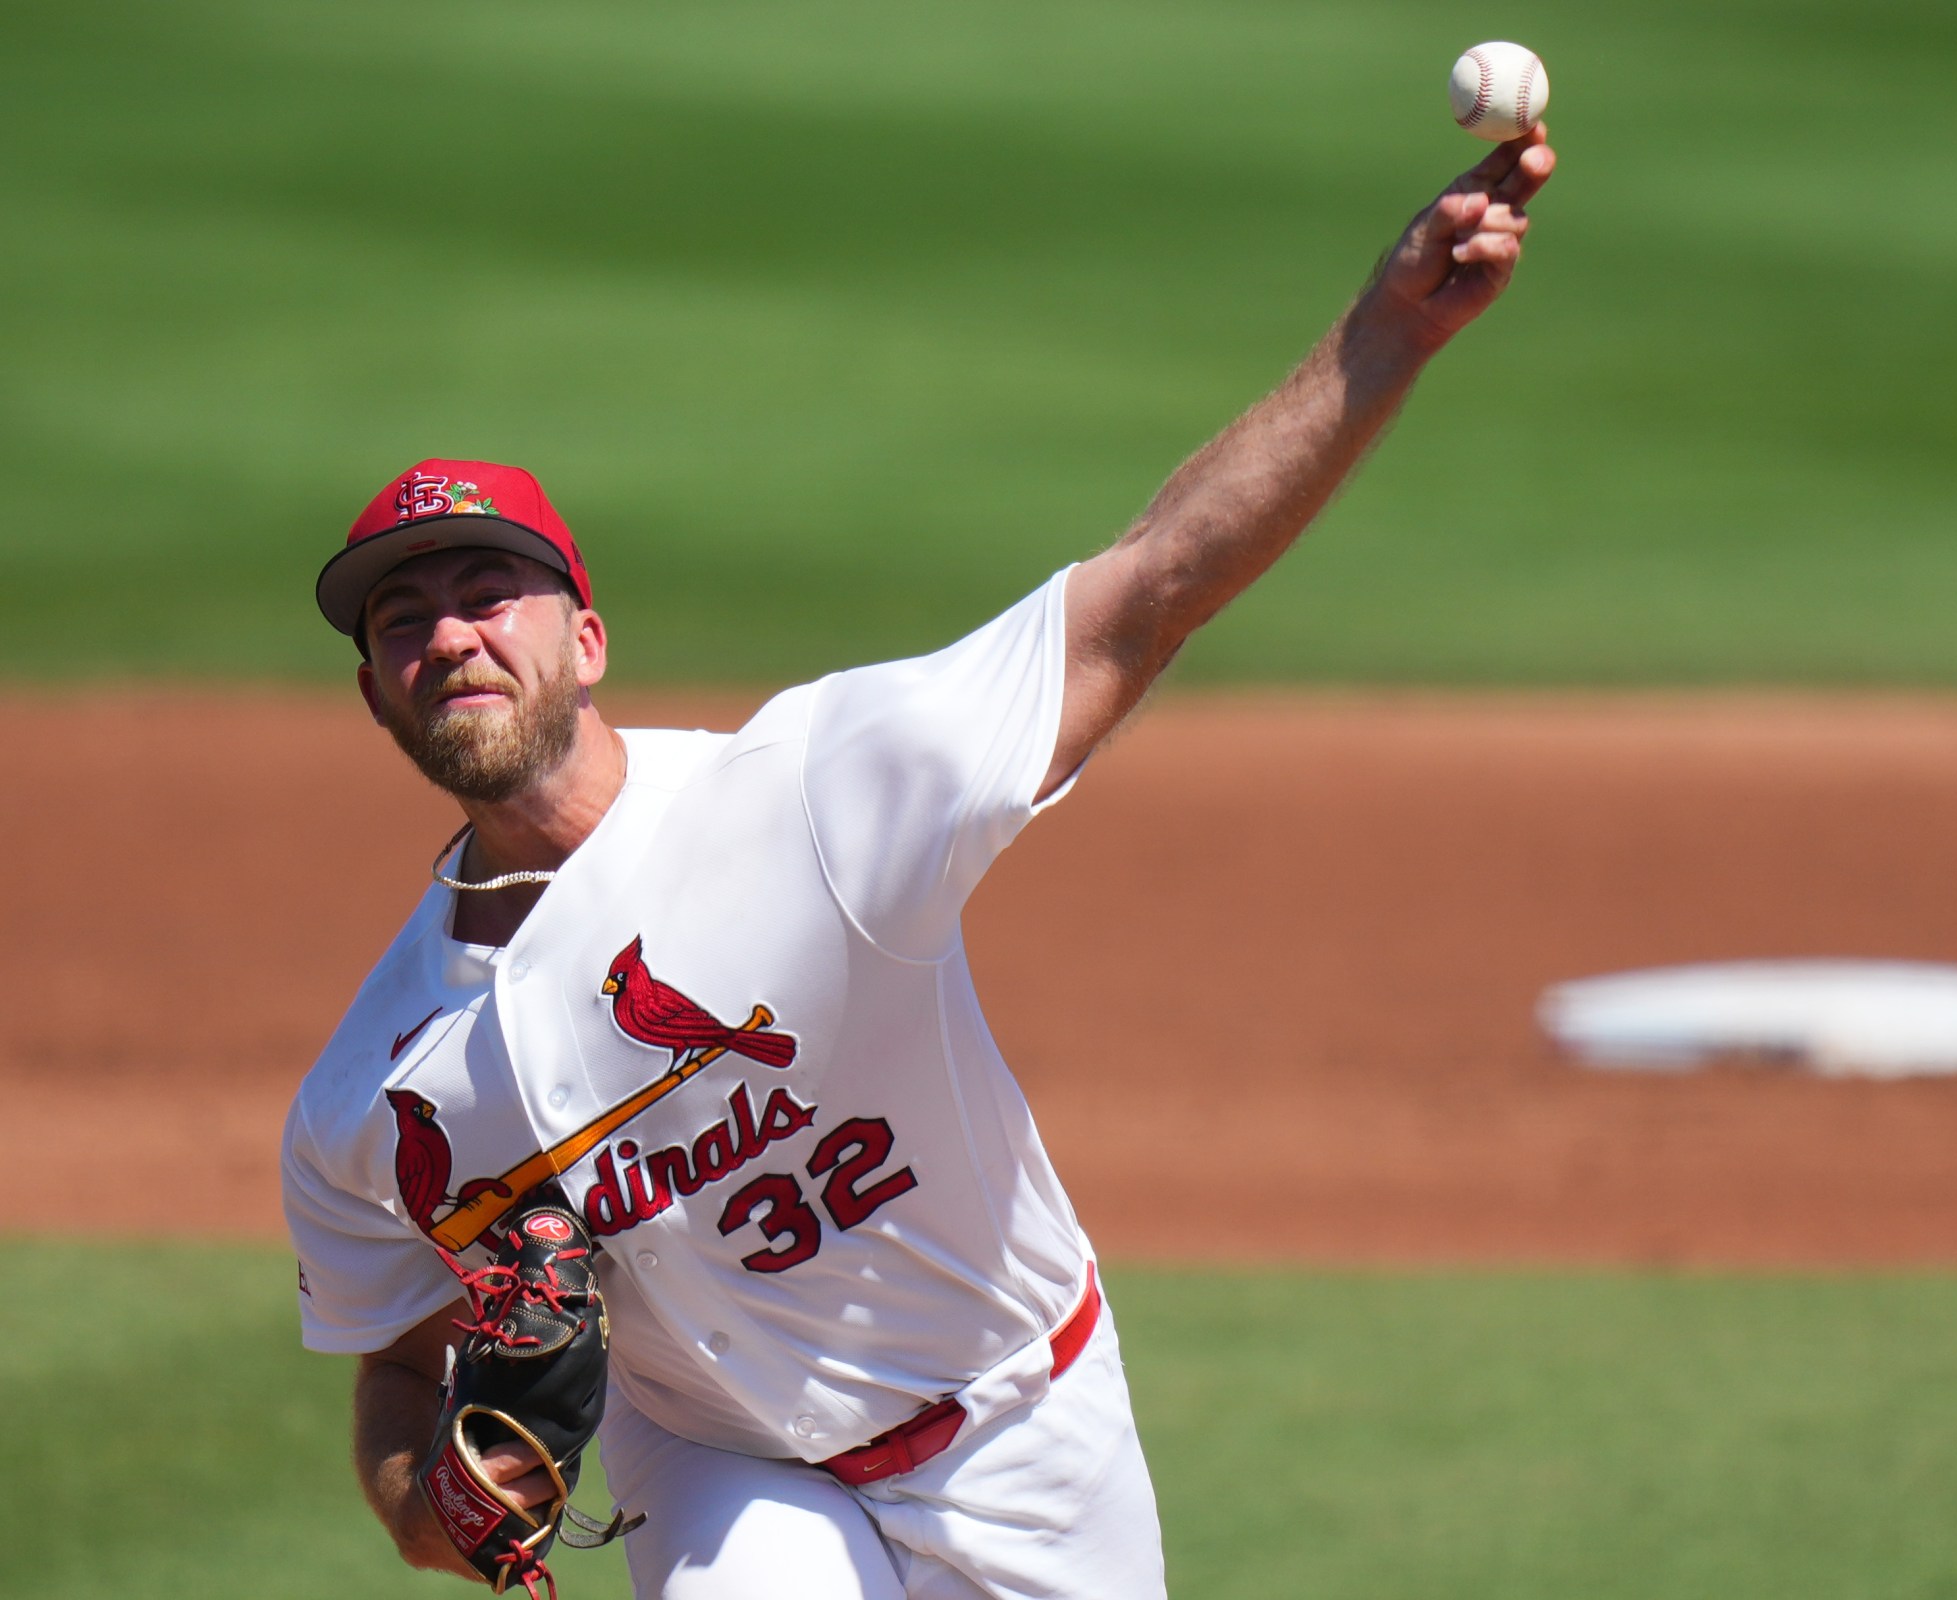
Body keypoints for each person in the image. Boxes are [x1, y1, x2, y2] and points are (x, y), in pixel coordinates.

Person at [282, 128, 1554, 1600]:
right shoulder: (373, 1093)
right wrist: (429, 1508)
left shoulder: (814, 792)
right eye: (401, 624)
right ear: (378, 695)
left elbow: (1145, 594)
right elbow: (395, 1360)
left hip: (1023, 1417)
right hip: (721, 1467)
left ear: (586, 640)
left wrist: (1390, 334)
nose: (447, 635)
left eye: (487, 593)